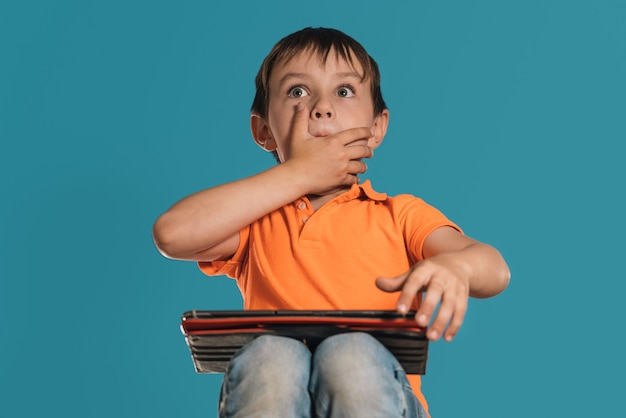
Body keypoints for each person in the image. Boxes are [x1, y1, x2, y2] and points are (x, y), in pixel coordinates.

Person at [153, 27, 510, 418]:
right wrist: (301, 174)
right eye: (297, 92)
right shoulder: (255, 224)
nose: (321, 108)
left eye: (343, 92)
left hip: (378, 400)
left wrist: (454, 266)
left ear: (376, 128)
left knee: (349, 352)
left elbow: (494, 269)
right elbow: (172, 233)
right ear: (264, 131)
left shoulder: (399, 215)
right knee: (271, 355)